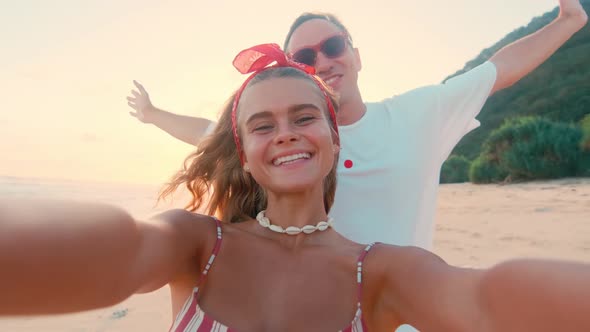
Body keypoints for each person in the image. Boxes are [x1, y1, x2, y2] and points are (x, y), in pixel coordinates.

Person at [4, 44, 590, 332]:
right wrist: (157, 114)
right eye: (262, 124)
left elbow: (486, 299)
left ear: (335, 139)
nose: (285, 134)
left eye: (304, 118)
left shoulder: (380, 273)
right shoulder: (194, 244)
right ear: (244, 153)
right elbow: (111, 250)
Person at [127, 2, 588, 250]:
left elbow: (496, 70)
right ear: (292, 73)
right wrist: (151, 115)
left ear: (356, 54)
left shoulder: (415, 114)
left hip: (402, 315)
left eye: (333, 45)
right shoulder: (286, 145)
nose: (323, 61)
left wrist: (568, 21)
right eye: (304, 58)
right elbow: (210, 133)